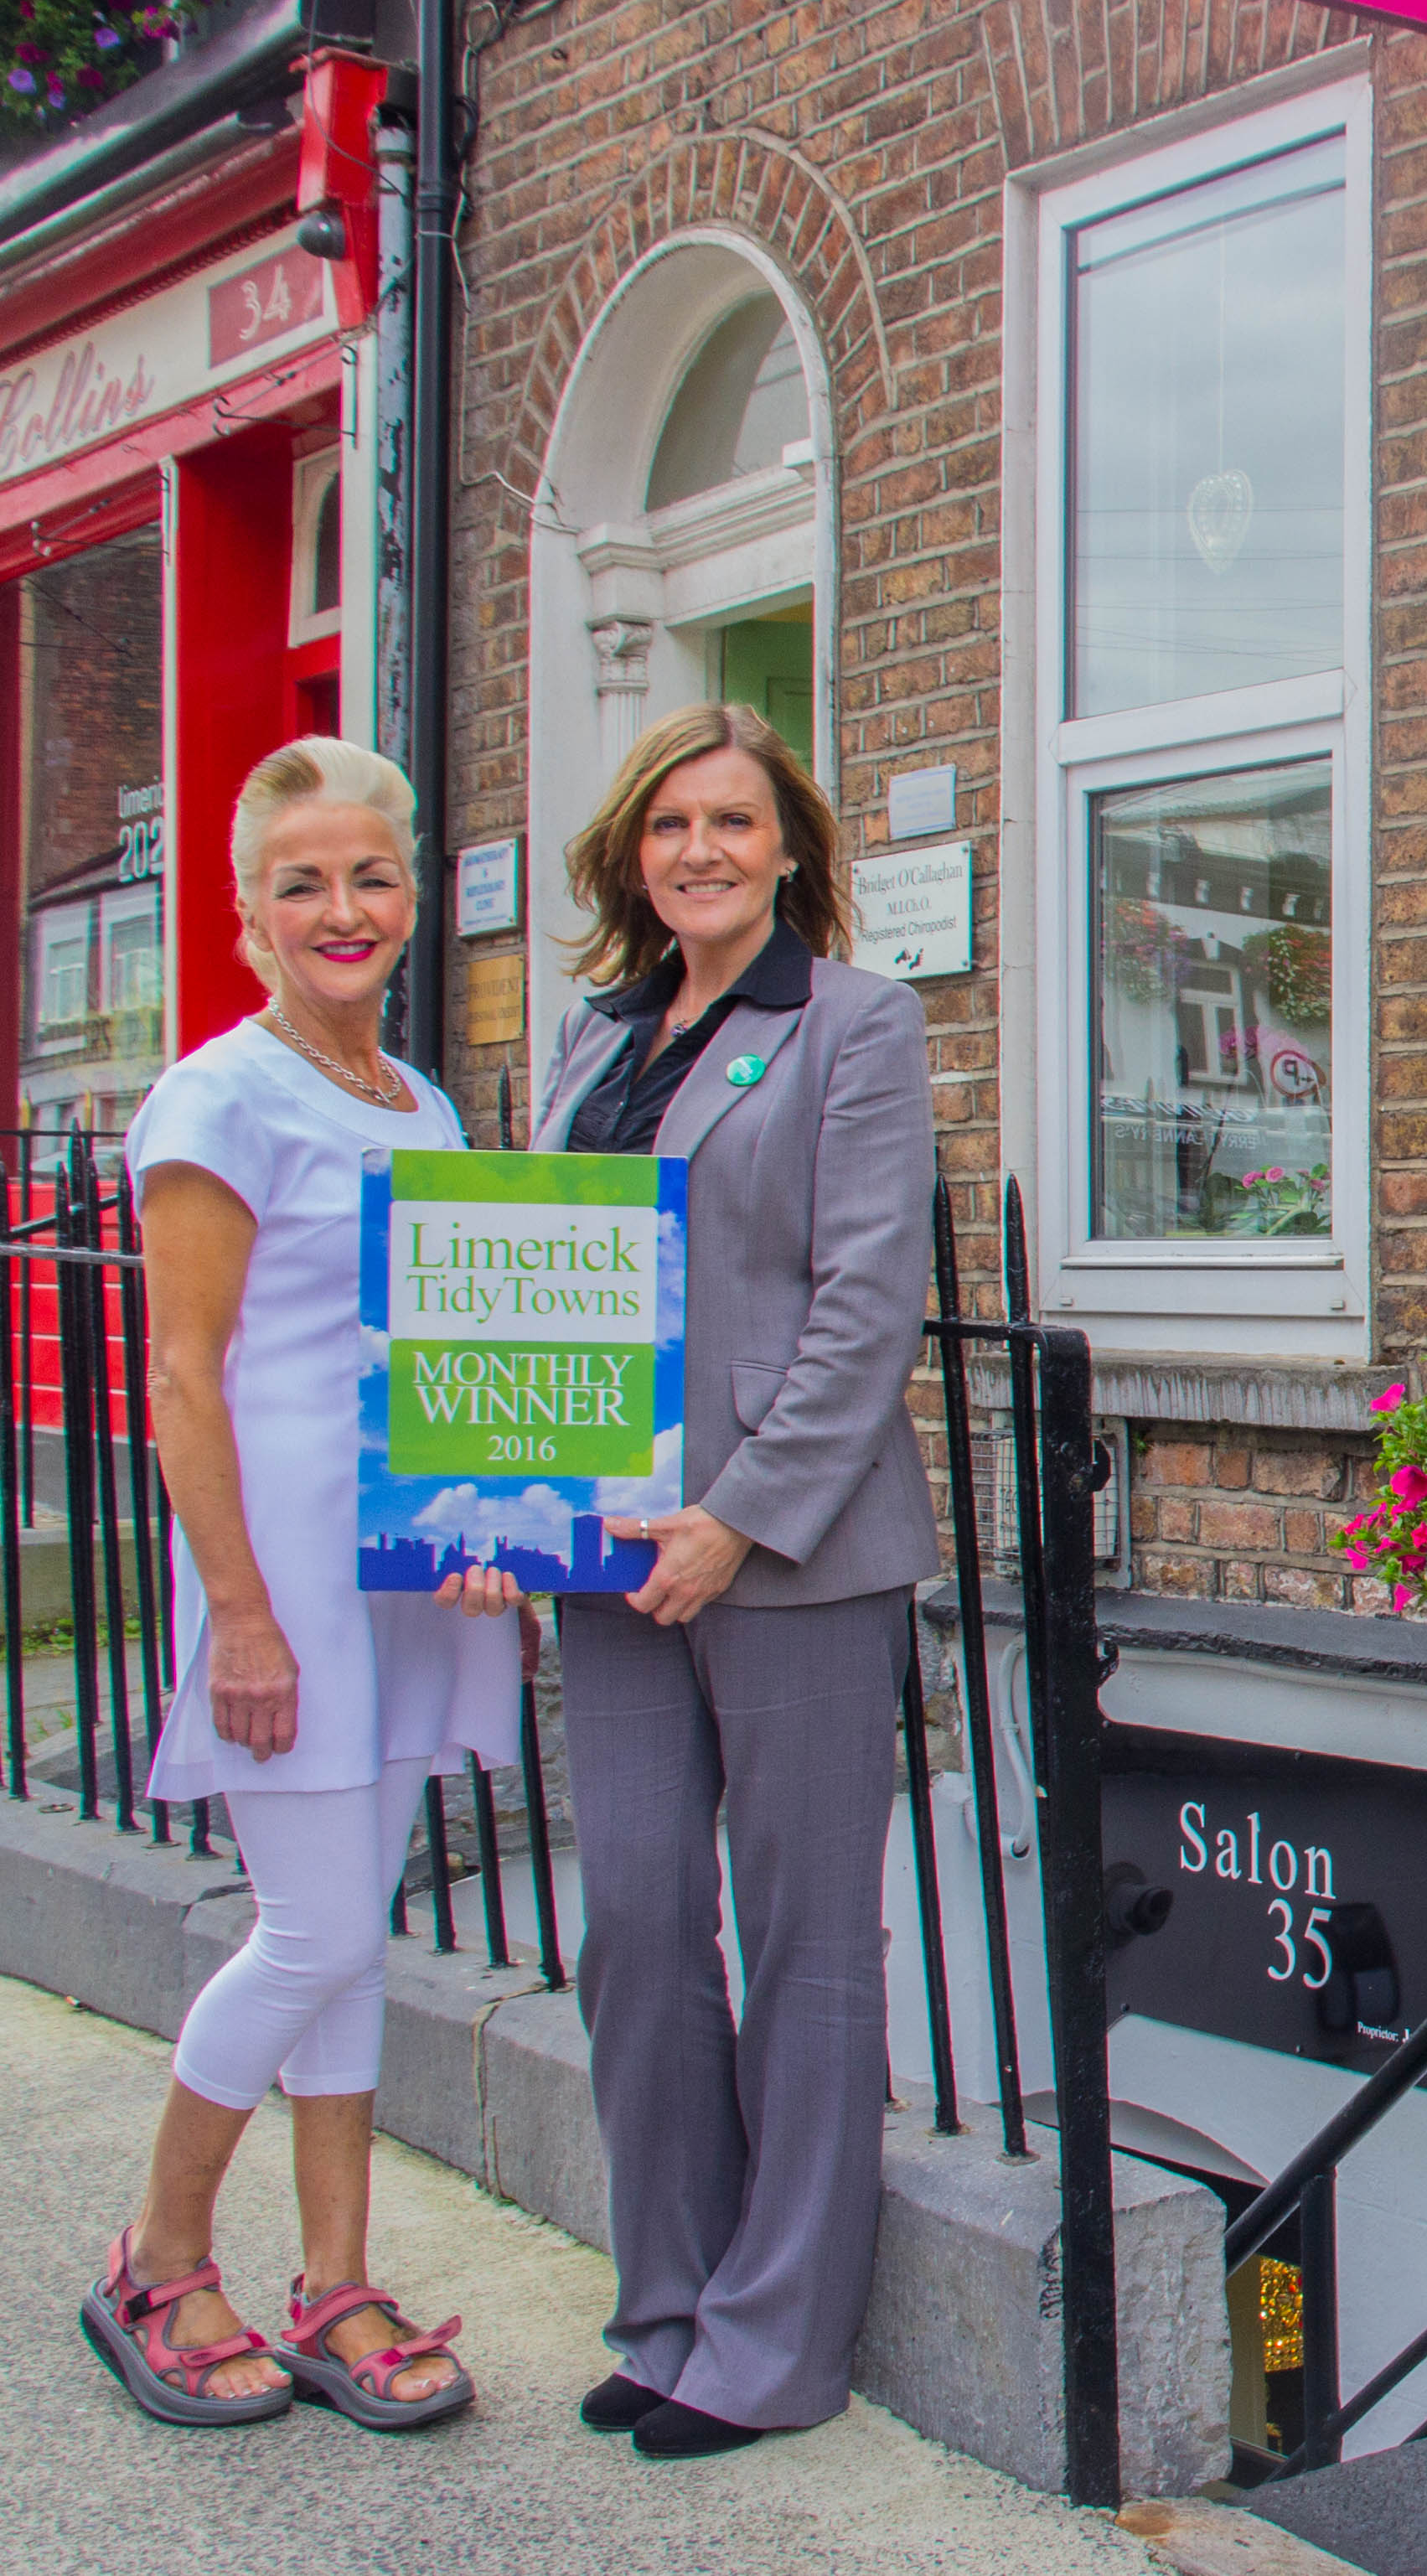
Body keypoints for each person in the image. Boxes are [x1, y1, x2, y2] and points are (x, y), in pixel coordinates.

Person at [83, 738, 533, 2433]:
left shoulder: (419, 1106)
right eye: (301, 881)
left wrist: (506, 1520)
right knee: (314, 1926)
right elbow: (184, 1374)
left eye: (368, 876)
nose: (341, 908)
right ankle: (161, 2249)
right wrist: (241, 1612)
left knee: (357, 1952)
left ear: (409, 898)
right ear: (246, 912)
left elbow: (451, 1361)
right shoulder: (218, 1094)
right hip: (278, 1579)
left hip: (402, 1576)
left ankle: (335, 2279)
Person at [531, 702, 936, 2461]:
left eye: (733, 821)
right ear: (634, 852)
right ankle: (669, 2301)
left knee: (803, 1945)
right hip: (604, 1557)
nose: (699, 849)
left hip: (789, 1560)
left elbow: (865, 1302)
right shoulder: (591, 1040)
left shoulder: (856, 1023)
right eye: (669, 824)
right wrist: (494, 1506)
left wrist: (740, 1512)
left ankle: (771, 2341)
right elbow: (533, 1290)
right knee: (630, 1917)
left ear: (789, 850)